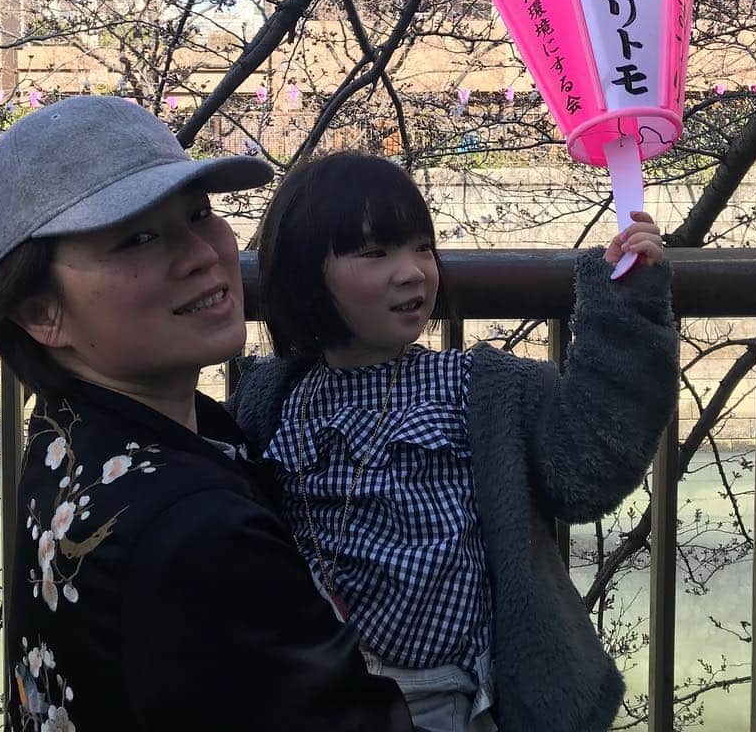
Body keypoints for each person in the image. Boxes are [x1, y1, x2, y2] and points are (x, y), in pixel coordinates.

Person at [0, 98, 412, 732]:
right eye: (137, 237)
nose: (203, 252)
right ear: (40, 313)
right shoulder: (194, 528)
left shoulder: (65, 440)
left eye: (200, 213)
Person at [229, 151, 680, 732]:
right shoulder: (273, 396)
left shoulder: (477, 387)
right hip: (307, 692)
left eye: (422, 247)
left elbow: (588, 460)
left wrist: (627, 301)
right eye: (375, 253)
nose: (413, 271)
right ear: (302, 274)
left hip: (445, 699)